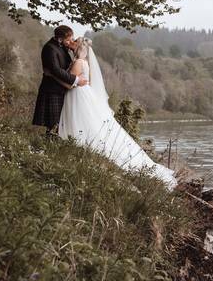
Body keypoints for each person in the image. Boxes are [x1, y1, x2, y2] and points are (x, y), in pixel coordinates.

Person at [57, 37, 176, 188]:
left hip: (78, 95)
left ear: (78, 46)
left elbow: (69, 83)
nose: (71, 43)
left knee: (79, 119)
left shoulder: (78, 62)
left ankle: (75, 143)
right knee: (88, 121)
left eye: (74, 42)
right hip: (84, 94)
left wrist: (53, 76)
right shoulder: (85, 62)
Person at [32, 25, 86, 133]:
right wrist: (75, 80)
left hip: (61, 89)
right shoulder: (50, 48)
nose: (70, 41)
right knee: (53, 124)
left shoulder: (63, 47)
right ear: (59, 39)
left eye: (72, 38)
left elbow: (68, 65)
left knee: (60, 124)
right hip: (52, 90)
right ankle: (49, 147)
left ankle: (54, 146)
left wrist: (74, 48)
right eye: (68, 39)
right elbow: (55, 70)